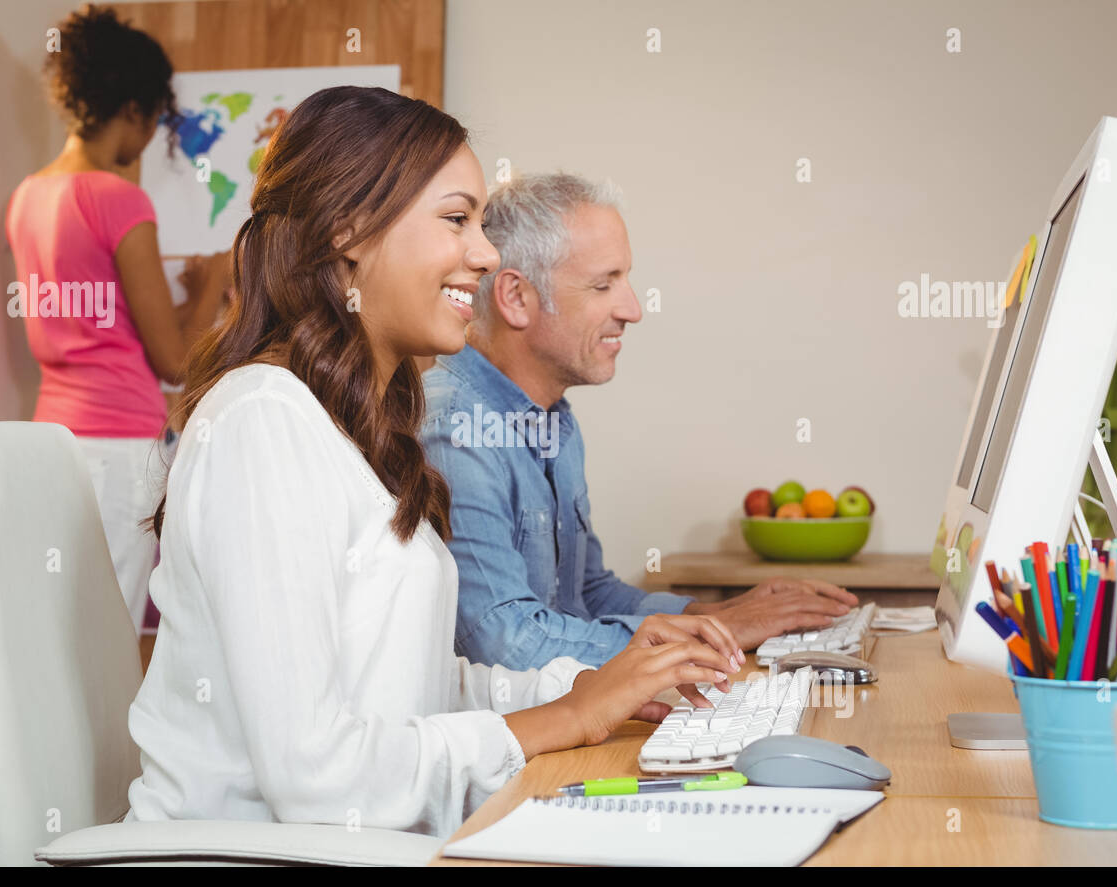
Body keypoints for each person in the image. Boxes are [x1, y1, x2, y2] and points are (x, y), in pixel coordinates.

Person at [124, 86, 745, 838]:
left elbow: (406, 687)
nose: (484, 255)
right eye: (457, 220)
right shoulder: (263, 424)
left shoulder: (361, 430)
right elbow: (317, 777)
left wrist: (585, 685)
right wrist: (566, 717)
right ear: (349, 229)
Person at [421, 173, 856, 671]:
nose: (633, 309)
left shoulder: (553, 419)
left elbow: (584, 593)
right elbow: (506, 643)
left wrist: (713, 614)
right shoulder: (458, 430)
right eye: (604, 284)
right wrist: (714, 636)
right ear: (516, 298)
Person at [5, 5, 228, 667]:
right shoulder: (119, 200)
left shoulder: (28, 196)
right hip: (123, 447)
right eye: (155, 116)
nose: (153, 130)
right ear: (132, 108)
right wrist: (217, 279)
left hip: (54, 437)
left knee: (62, 631)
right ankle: (102, 774)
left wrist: (185, 297)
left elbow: (102, 316)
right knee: (109, 639)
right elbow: (173, 361)